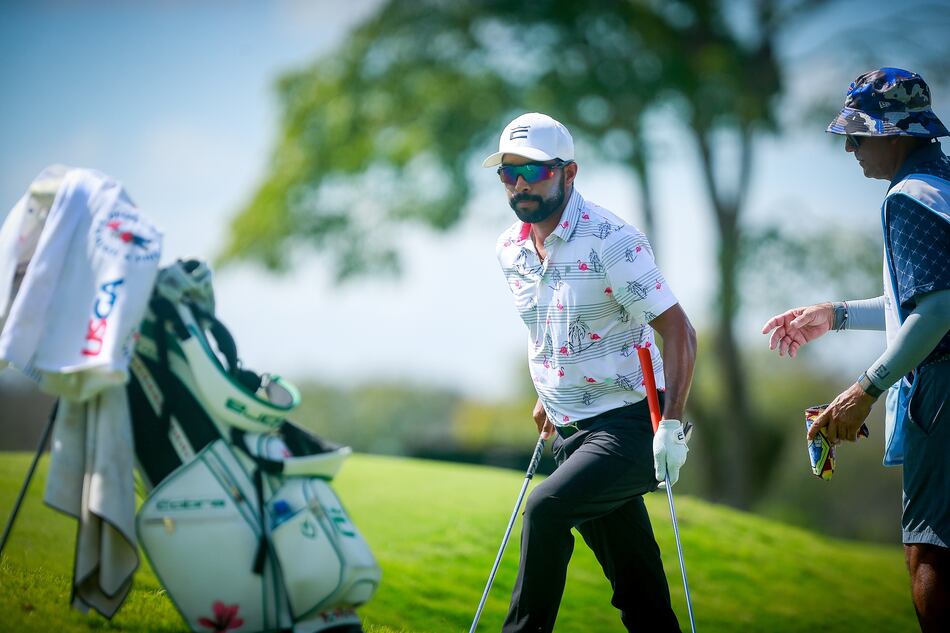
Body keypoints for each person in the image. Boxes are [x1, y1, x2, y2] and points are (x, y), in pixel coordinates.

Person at [485, 112, 697, 632]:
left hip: (634, 426)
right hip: (572, 431)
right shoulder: (510, 249)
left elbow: (679, 331)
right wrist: (550, 392)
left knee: (545, 510)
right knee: (640, 593)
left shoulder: (611, 240)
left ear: (569, 172)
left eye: (535, 171)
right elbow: (549, 327)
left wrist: (671, 423)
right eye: (509, 173)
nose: (520, 185)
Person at [761, 68, 950, 632]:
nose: (849, 148)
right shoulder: (942, 184)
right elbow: (915, 302)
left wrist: (865, 389)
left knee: (932, 556)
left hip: (942, 394)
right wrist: (836, 314)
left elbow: (939, 311)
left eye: (858, 135)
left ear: (894, 134)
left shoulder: (909, 198)